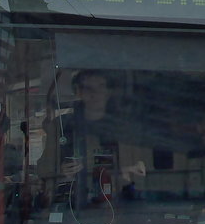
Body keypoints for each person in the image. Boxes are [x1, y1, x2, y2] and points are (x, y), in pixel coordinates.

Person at [37, 69, 145, 208]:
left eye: (101, 86)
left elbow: (142, 167)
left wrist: (129, 170)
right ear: (78, 92)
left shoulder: (125, 127)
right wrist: (60, 171)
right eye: (88, 88)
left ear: (109, 91)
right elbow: (42, 169)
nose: (95, 93)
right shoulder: (62, 126)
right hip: (75, 206)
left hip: (122, 206)